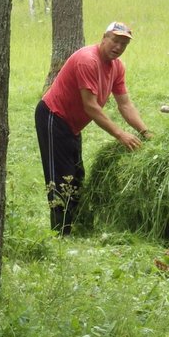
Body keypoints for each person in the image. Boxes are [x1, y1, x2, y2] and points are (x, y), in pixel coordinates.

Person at [35, 21, 153, 234]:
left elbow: (124, 103)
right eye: (115, 41)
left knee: (77, 175)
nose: (118, 47)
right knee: (60, 177)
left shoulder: (117, 67)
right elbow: (91, 107)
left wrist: (145, 131)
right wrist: (120, 134)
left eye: (123, 44)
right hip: (54, 116)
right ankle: (61, 233)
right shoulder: (87, 61)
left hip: (73, 125)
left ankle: (75, 226)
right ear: (104, 38)